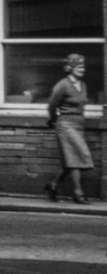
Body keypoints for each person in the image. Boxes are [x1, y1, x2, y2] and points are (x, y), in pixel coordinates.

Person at [44, 54, 93, 204]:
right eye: (79, 66)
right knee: (77, 158)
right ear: (70, 68)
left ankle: (53, 185)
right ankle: (78, 193)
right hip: (65, 125)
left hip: (78, 125)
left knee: (70, 161)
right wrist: (53, 120)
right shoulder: (63, 85)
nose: (82, 69)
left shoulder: (82, 85)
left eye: (83, 66)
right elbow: (52, 106)